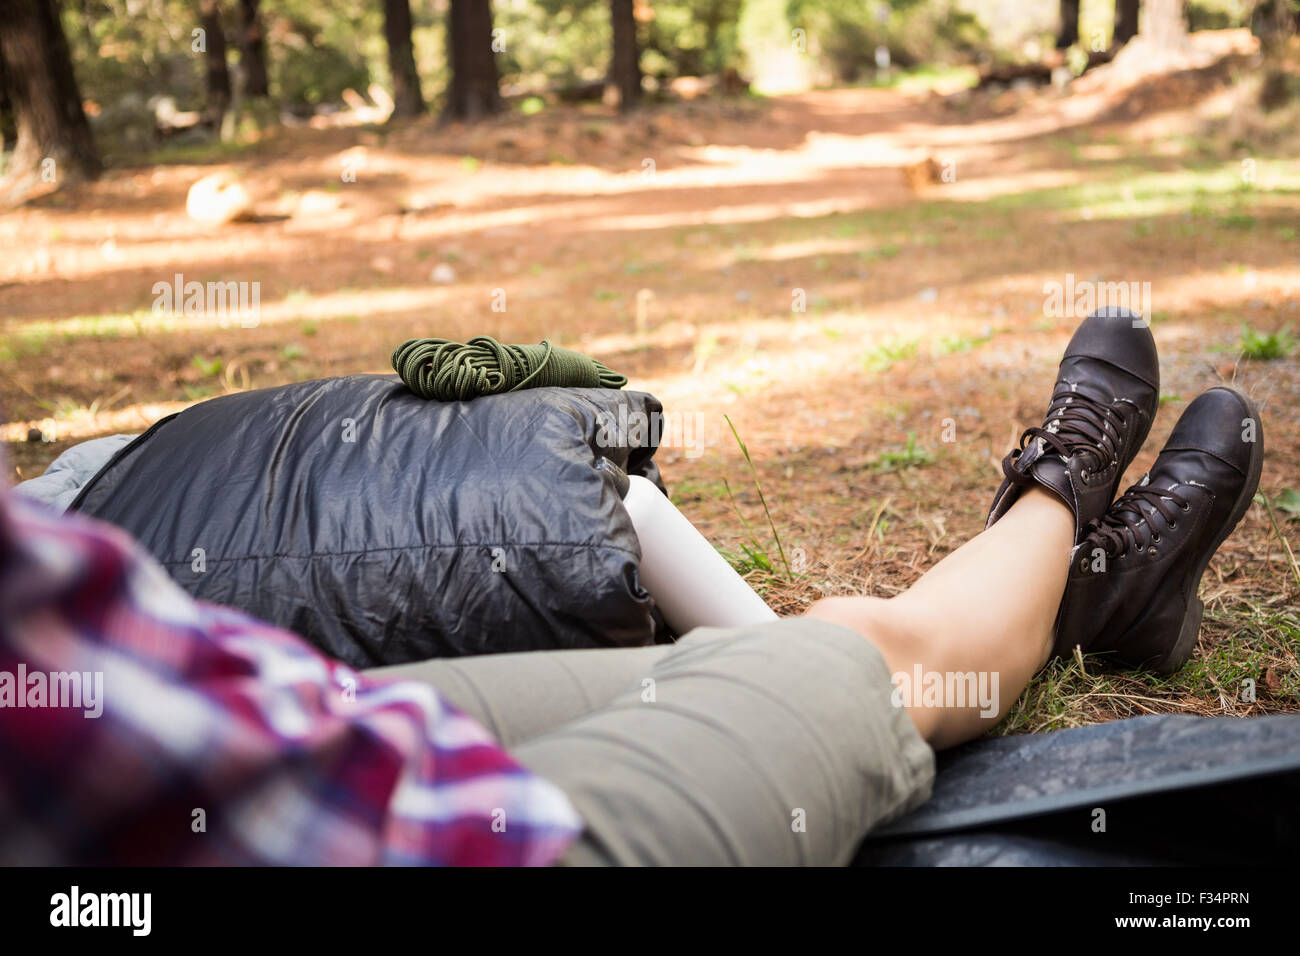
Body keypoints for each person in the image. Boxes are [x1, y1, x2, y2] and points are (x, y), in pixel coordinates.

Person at [0, 309, 1262, 866]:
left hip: (198, 720)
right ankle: (1059, 499)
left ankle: (1086, 594)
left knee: (736, 658)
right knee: (848, 662)